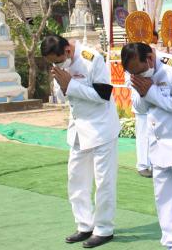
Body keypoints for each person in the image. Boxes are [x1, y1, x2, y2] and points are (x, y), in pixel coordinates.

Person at [122, 42, 172, 250]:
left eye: (140, 70)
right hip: (158, 145)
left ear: (149, 58)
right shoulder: (136, 72)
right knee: (164, 199)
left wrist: (151, 93)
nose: (138, 75)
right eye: (133, 73)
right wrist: (143, 91)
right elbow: (139, 107)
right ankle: (170, 243)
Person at [40, 35, 120, 248]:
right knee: (76, 179)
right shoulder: (60, 66)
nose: (56, 65)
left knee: (104, 181)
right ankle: (84, 225)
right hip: (78, 129)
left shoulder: (92, 58)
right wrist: (62, 84)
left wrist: (70, 84)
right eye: (52, 63)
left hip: (101, 128)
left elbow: (103, 94)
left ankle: (103, 229)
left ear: (67, 50)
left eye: (57, 60)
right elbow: (64, 97)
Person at [129, 30, 160, 178]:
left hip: (154, 104)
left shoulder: (153, 58)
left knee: (155, 135)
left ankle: (155, 163)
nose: (152, 41)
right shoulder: (132, 58)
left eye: (154, 39)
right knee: (142, 135)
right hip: (140, 104)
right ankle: (142, 164)